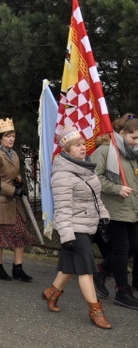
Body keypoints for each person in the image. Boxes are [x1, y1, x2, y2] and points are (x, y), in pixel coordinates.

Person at [42, 127, 112, 329]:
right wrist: (67, 236)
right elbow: (62, 209)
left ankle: (51, 293)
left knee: (70, 267)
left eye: (83, 144)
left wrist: (104, 215)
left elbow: (96, 198)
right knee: (86, 270)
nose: (83, 148)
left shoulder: (86, 168)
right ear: (66, 150)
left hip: (88, 225)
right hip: (73, 228)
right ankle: (96, 311)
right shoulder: (62, 175)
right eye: (77, 146)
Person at [93, 113, 138, 308]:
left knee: (134, 246)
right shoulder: (105, 150)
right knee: (121, 248)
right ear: (121, 133)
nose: (136, 141)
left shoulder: (134, 153)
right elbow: (94, 177)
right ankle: (122, 290)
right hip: (113, 208)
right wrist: (117, 188)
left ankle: (102, 270)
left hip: (132, 209)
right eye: (133, 137)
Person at [0, 118, 35, 282]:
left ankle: (17, 268)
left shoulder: (14, 153)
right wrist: (13, 190)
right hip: (1, 202)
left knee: (20, 234)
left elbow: (13, 174)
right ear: (0, 138)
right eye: (7, 136)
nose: (11, 139)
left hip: (14, 202)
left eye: (13, 136)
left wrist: (19, 181)